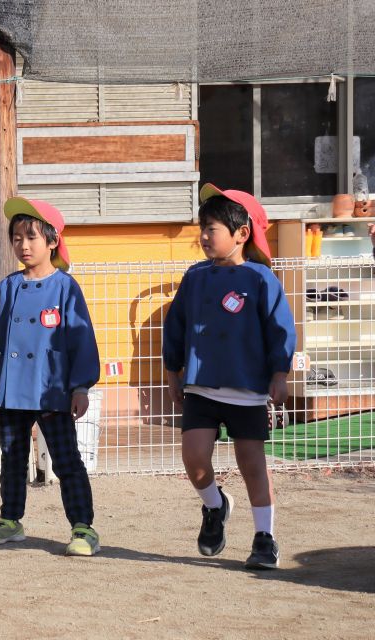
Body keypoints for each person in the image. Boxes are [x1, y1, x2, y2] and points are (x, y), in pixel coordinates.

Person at [163, 184, 296, 570]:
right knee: (194, 458)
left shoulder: (260, 279)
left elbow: (280, 331)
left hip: (248, 388)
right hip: (201, 385)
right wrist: (173, 372)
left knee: (252, 464)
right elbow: (176, 326)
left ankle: (264, 538)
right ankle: (215, 506)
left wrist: (279, 373)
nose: (204, 236)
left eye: (213, 228)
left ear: (242, 234)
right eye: (202, 228)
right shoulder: (195, 277)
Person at [0, 197, 101, 556]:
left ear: (52, 241)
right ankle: (10, 520)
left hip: (52, 392)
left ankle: (83, 528)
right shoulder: (6, 288)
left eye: (31, 237)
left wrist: (80, 387)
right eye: (16, 237)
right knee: (12, 459)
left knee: (66, 461)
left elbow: (81, 340)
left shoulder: (65, 288)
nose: (23, 245)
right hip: (12, 390)